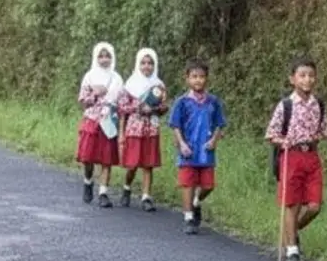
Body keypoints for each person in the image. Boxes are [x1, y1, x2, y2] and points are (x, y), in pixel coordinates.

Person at [265, 55, 327, 261]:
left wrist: (315, 138)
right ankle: (292, 250)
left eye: (311, 75)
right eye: (302, 75)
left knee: (314, 206)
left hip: (311, 156)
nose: (307, 80)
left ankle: (292, 233)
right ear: (292, 79)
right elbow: (271, 134)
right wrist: (284, 140)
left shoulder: (318, 104)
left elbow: (325, 131)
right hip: (291, 156)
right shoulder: (286, 105)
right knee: (291, 204)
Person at [167, 58, 226, 235]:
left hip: (206, 150)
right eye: (194, 76)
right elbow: (175, 125)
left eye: (201, 76)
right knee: (187, 183)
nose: (198, 80)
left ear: (206, 79)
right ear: (187, 79)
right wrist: (182, 143)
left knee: (208, 185)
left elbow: (220, 124)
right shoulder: (182, 102)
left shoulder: (213, 102)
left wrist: (214, 140)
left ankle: (196, 202)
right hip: (188, 149)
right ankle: (188, 217)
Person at [116, 47, 167, 211]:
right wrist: (122, 133)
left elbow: (163, 108)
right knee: (132, 164)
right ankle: (127, 187)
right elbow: (123, 109)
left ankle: (146, 196)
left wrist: (154, 110)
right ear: (138, 64)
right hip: (135, 128)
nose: (147, 66)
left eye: (150, 63)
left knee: (148, 164)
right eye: (143, 63)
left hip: (151, 127)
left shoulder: (159, 86)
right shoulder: (130, 84)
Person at [77, 41, 124, 207]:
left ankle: (103, 191)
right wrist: (96, 94)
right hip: (92, 120)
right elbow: (83, 101)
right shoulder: (89, 77)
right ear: (96, 58)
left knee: (106, 158)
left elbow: (122, 101)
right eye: (101, 56)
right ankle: (88, 180)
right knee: (88, 157)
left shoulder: (117, 78)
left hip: (109, 120)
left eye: (108, 56)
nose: (104, 59)